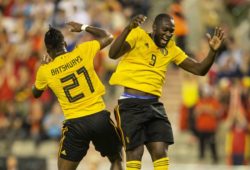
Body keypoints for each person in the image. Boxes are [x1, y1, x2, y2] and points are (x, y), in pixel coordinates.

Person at [109, 13, 225, 170]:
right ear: (154, 27)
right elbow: (113, 54)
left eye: (172, 31)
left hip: (154, 105)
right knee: (135, 153)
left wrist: (212, 51)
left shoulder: (172, 48)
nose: (168, 34)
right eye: (165, 30)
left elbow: (199, 69)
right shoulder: (137, 34)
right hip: (130, 104)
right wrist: (128, 28)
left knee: (160, 151)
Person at [32, 22, 123, 170]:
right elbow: (108, 36)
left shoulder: (46, 71)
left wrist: (42, 67)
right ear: (65, 43)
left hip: (75, 124)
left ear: (48, 51)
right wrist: (83, 27)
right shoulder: (82, 51)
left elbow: (35, 93)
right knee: (116, 160)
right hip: (98, 116)